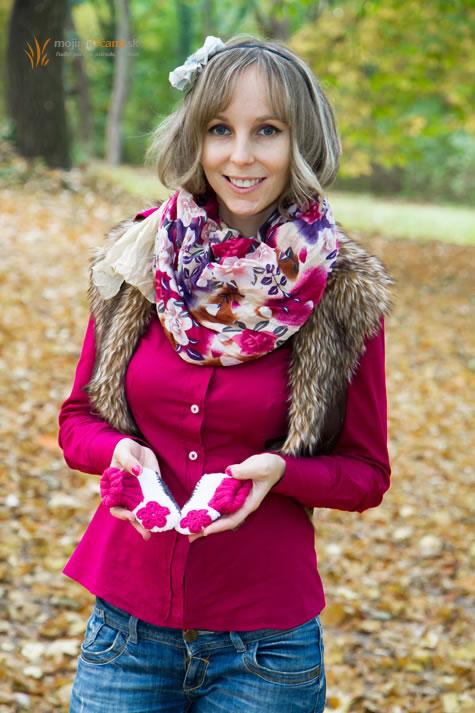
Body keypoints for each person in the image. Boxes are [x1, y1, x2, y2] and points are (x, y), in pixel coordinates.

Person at [58, 33, 393, 713]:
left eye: (266, 130)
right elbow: (78, 421)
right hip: (126, 632)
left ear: (301, 142)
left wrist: (280, 473)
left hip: (264, 651)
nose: (240, 155)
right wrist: (117, 452)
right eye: (219, 129)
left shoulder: (341, 288)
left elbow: (365, 473)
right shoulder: (139, 254)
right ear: (195, 137)